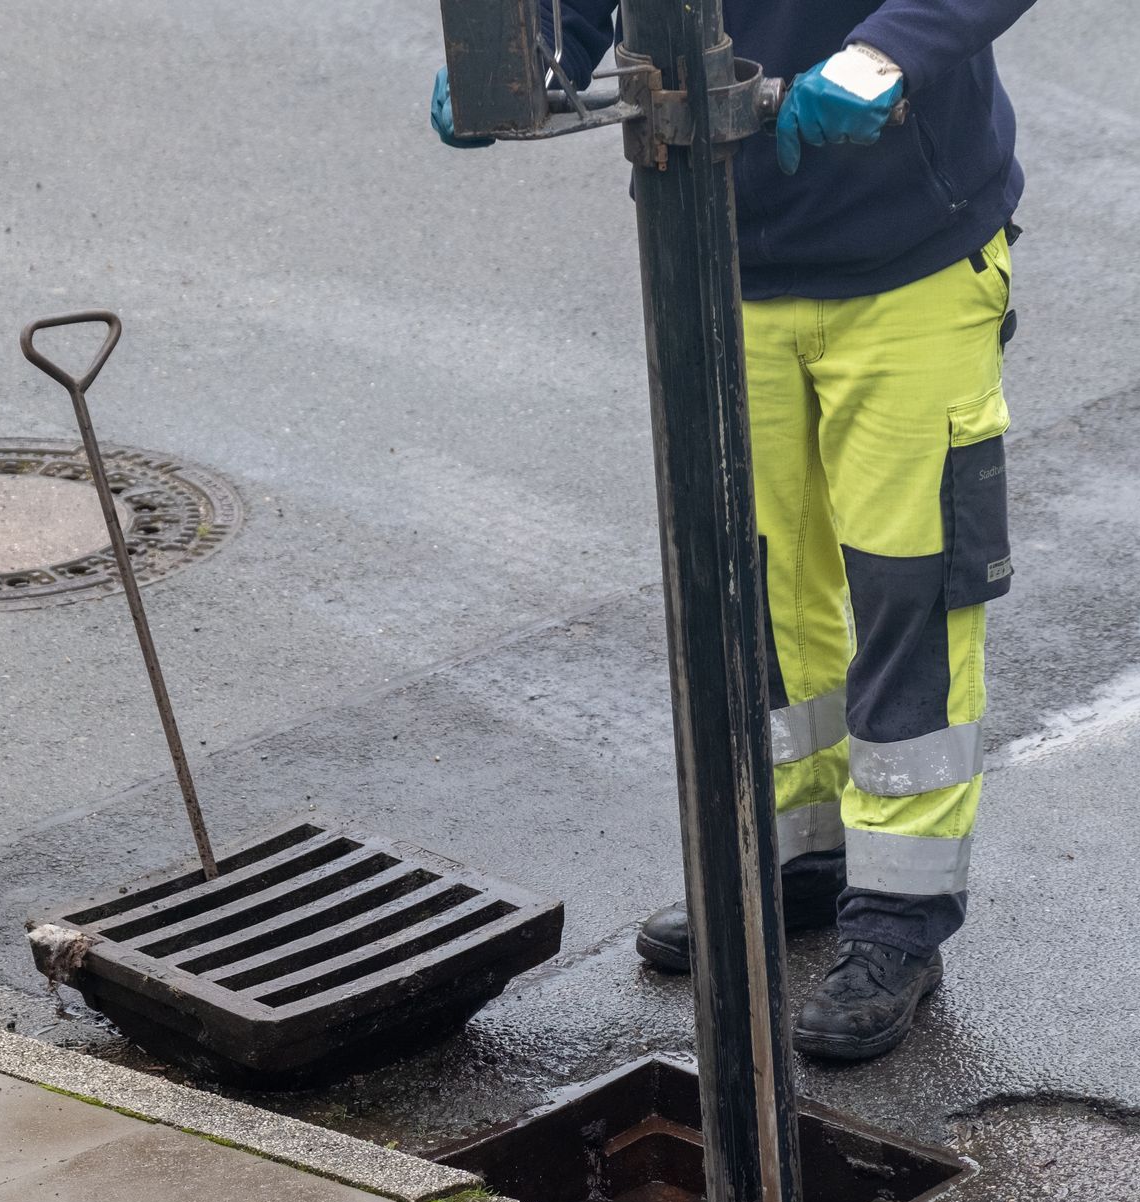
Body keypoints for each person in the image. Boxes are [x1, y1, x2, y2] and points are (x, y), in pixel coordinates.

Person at [431, 0, 1037, 1061]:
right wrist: (520, 63)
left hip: (909, 258)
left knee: (910, 592)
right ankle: (795, 850)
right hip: (712, 237)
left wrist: (887, 52)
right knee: (756, 582)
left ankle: (898, 921)